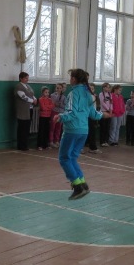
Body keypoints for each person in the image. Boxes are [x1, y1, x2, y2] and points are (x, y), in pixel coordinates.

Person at [54, 69, 109, 200]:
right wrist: (102, 115)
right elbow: (93, 114)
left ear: (74, 79)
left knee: (64, 158)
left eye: (70, 77)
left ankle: (77, 186)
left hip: (72, 130)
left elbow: (71, 113)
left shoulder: (73, 93)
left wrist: (60, 117)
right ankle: (83, 184)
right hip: (83, 131)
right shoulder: (88, 94)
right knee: (72, 158)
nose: (70, 79)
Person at [14, 71, 36, 151]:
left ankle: (25, 145)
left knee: (27, 128)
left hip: (29, 109)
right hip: (22, 110)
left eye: (27, 78)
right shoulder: (19, 87)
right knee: (22, 128)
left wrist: (35, 99)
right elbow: (23, 97)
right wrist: (32, 101)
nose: (27, 79)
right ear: (21, 78)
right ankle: (21, 145)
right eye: (25, 78)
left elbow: (32, 95)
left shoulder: (28, 86)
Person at [85, 83, 101, 154]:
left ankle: (92, 147)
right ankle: (81, 147)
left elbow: (97, 106)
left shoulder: (94, 96)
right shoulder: (86, 96)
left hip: (92, 116)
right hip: (85, 116)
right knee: (83, 132)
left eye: (92, 89)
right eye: (89, 88)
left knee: (92, 132)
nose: (91, 90)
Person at [49, 83, 66, 148]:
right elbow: (53, 103)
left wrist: (59, 105)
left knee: (58, 127)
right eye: (57, 88)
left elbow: (65, 106)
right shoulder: (52, 95)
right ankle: (51, 141)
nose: (58, 89)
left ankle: (56, 141)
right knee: (52, 127)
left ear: (62, 89)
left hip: (61, 113)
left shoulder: (64, 97)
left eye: (60, 88)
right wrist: (57, 102)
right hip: (54, 112)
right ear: (55, 88)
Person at [36, 86, 53, 151]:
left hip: (48, 116)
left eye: (48, 92)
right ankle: (39, 145)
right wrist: (48, 107)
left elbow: (52, 106)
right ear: (43, 92)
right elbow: (43, 108)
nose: (47, 93)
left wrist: (47, 107)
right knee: (41, 130)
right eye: (46, 92)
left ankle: (45, 145)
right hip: (42, 116)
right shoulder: (40, 99)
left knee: (47, 130)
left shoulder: (50, 100)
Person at [98, 82, 113, 147]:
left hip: (109, 112)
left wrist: (111, 109)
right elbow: (102, 102)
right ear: (103, 88)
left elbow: (111, 102)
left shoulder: (110, 94)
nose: (108, 88)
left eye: (109, 87)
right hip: (103, 112)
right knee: (103, 127)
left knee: (107, 127)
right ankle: (102, 142)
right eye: (106, 87)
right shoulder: (101, 94)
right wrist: (108, 109)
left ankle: (106, 141)